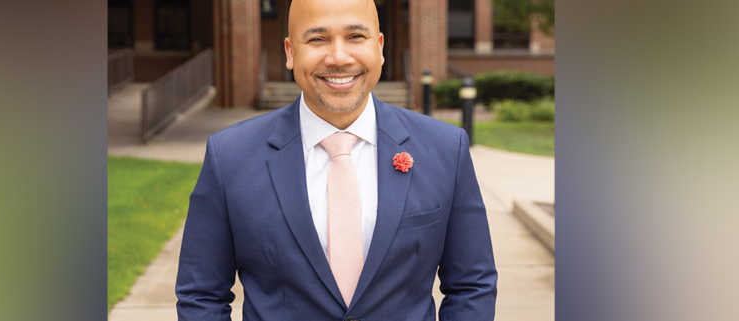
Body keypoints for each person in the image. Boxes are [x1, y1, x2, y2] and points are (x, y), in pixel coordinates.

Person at [175, 0, 497, 319]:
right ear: (290, 52)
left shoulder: (445, 149)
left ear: (380, 47)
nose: (339, 58)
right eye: (318, 39)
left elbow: (472, 285)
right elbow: (201, 295)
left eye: (356, 36)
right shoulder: (229, 156)